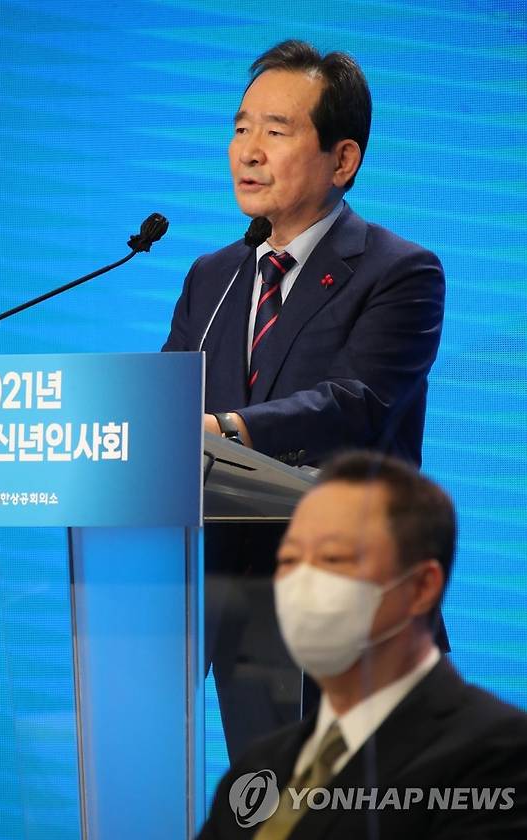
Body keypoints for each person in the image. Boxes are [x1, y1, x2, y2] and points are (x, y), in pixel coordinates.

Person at [163, 39, 446, 759]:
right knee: (271, 806)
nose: (248, 151)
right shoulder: (211, 278)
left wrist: (225, 428)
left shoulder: (399, 272)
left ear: (342, 160)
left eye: (276, 131)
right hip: (241, 613)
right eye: (240, 128)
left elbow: (356, 404)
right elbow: (162, 410)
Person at [198, 452, 527, 839]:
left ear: (421, 587)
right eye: (289, 560)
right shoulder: (259, 768)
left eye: (332, 558)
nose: (302, 584)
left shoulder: (497, 753)